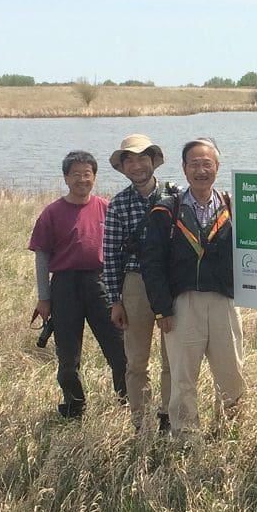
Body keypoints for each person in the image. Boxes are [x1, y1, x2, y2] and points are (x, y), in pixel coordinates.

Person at [140, 138, 246, 436]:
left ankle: (230, 432)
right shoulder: (167, 210)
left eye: (207, 164)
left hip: (223, 302)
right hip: (182, 305)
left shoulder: (231, 206)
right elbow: (152, 263)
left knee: (232, 373)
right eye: (194, 164)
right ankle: (185, 438)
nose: (201, 170)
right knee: (183, 378)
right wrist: (162, 308)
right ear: (185, 169)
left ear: (217, 167)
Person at [29, 150, 127, 418]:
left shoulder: (107, 207)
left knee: (118, 350)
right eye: (76, 174)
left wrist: (120, 293)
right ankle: (74, 406)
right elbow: (42, 257)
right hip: (65, 286)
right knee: (68, 358)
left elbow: (121, 251)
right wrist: (44, 297)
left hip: (101, 283)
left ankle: (127, 403)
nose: (82, 179)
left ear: (94, 177)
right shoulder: (52, 212)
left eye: (87, 174)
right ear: (65, 178)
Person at [102, 134, 175, 433]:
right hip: (135, 283)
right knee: (136, 361)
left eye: (142, 157)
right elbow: (110, 256)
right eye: (129, 160)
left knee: (174, 357)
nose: (137, 165)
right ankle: (140, 424)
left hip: (171, 281)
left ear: (153, 161)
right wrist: (114, 301)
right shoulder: (118, 204)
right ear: (123, 167)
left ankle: (169, 417)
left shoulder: (175, 195)